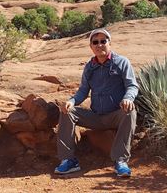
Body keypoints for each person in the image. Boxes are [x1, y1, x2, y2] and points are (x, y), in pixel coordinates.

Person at [54, 28, 138, 177]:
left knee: (130, 111)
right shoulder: (89, 67)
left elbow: (132, 85)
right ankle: (68, 160)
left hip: (115, 115)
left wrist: (128, 98)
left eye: (103, 41)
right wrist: (71, 101)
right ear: (91, 46)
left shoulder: (121, 62)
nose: (99, 45)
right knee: (67, 111)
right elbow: (83, 91)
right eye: (95, 42)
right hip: (95, 116)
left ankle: (121, 161)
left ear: (109, 43)